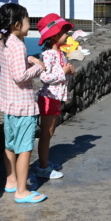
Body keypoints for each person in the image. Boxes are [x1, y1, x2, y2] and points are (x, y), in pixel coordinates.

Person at [0, 4, 47, 204]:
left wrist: (28, 59)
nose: (30, 25)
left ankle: (11, 181)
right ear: (17, 24)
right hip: (23, 105)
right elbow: (20, 76)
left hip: (9, 104)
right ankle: (22, 190)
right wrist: (38, 67)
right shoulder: (18, 44)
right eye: (28, 21)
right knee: (25, 148)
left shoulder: (5, 41)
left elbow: (12, 66)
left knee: (10, 145)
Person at [35, 13, 75, 180]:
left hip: (55, 98)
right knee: (47, 133)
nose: (67, 35)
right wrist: (63, 72)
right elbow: (44, 77)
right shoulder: (48, 55)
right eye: (64, 32)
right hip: (49, 97)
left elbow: (57, 72)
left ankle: (44, 162)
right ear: (54, 36)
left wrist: (68, 70)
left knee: (50, 132)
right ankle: (42, 167)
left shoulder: (58, 53)